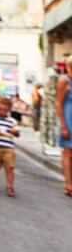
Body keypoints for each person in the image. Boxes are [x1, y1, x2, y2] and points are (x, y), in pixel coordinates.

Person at [57, 67, 72, 196]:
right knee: (67, 152)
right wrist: (63, 125)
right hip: (68, 119)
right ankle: (68, 184)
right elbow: (58, 103)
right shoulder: (64, 81)